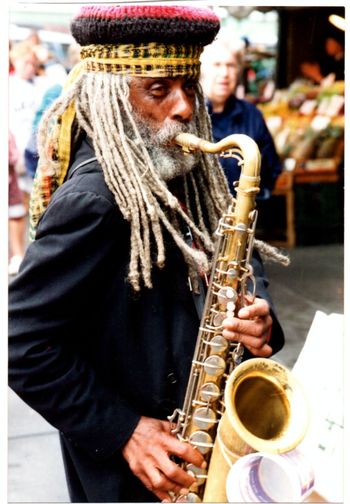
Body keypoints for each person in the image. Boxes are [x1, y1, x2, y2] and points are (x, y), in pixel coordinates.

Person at [8, 5, 285, 503]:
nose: (182, 107)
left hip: (195, 437)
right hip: (136, 471)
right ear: (112, 96)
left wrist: (259, 315)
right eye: (158, 89)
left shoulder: (187, 169)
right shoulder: (94, 200)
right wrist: (125, 430)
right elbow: (22, 346)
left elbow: (239, 254)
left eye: (189, 87)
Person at [200, 39, 282, 199]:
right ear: (201, 70)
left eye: (230, 65)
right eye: (217, 65)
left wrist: (250, 203)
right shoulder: (185, 114)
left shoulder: (252, 114)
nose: (224, 73)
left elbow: (272, 167)